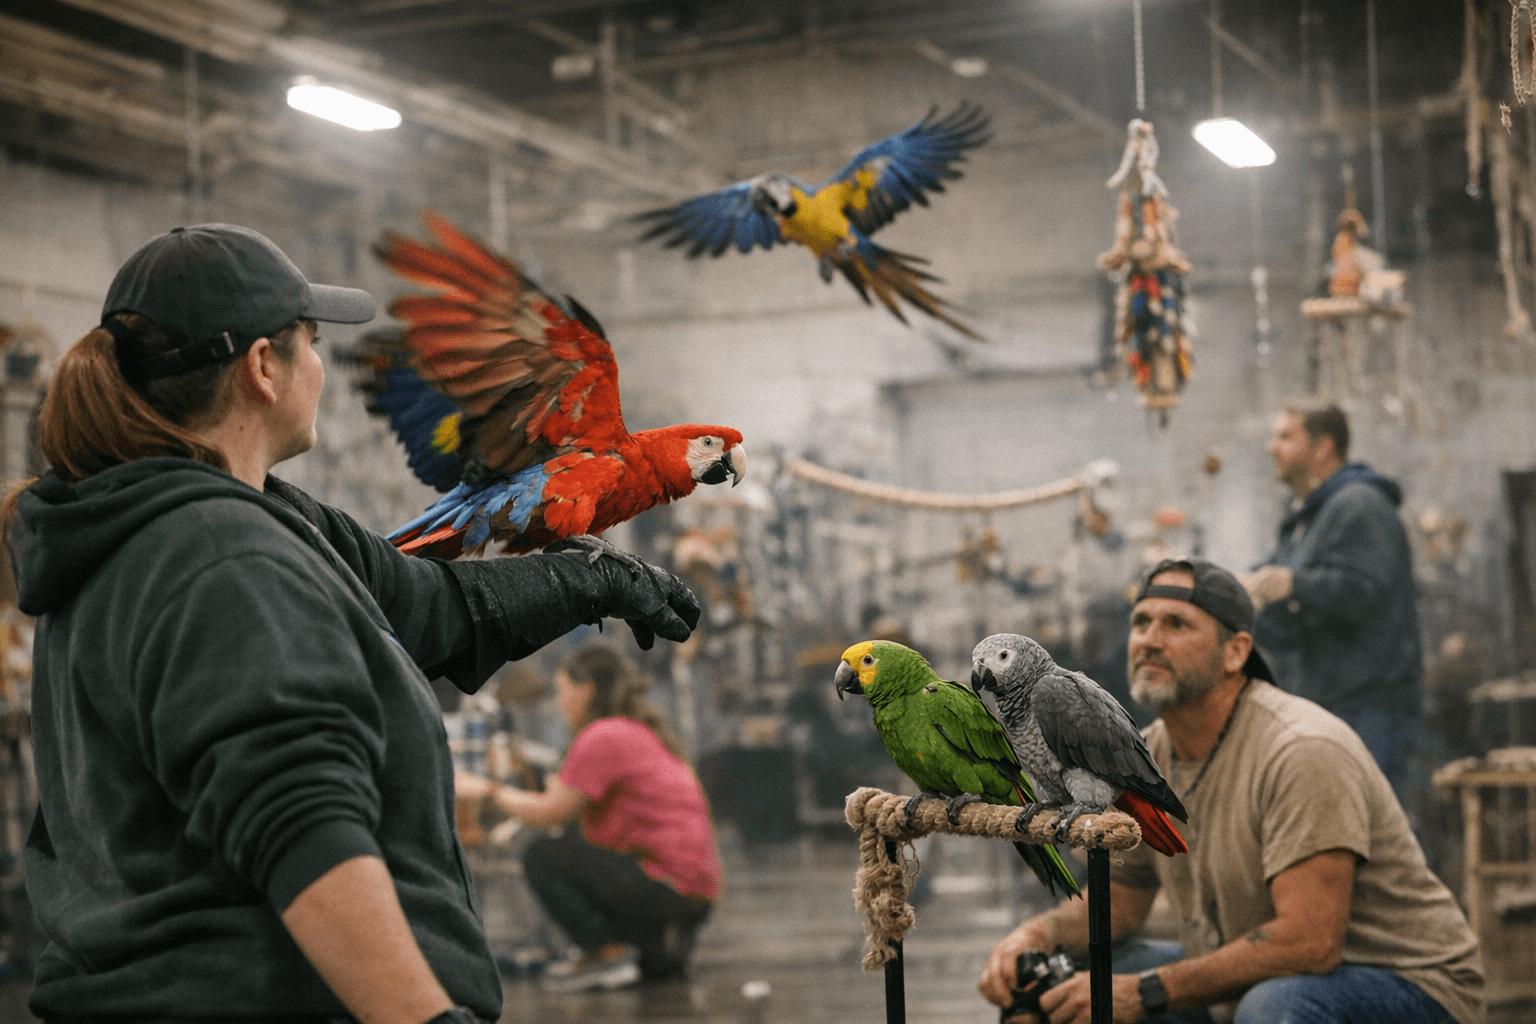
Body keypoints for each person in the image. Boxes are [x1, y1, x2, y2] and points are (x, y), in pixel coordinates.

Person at [7, 223, 701, 1024]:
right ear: (263, 368)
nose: (320, 369)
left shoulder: (259, 523)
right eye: (309, 343)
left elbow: (430, 609)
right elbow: (301, 828)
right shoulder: (218, 559)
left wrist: (591, 581)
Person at [978, 557, 1482, 1024]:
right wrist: (1036, 937)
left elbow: (1310, 944)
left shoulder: (1300, 749)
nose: (1149, 640)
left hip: (1409, 983)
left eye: (1176, 624)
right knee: (1070, 979)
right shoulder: (1143, 750)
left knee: (1270, 1006)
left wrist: (1145, 992)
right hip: (1270, 970)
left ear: (1236, 651)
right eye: (1141, 622)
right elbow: (1122, 903)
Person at [456, 643, 721, 992]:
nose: (560, 703)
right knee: (575, 847)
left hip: (666, 887)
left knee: (544, 855)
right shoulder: (636, 731)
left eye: (563, 691)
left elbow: (550, 814)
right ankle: (648, 950)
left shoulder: (603, 736)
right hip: (692, 894)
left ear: (585, 690)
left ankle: (606, 954)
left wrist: (488, 791)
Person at [1241, 400, 1423, 797]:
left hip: (1368, 708)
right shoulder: (1308, 518)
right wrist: (1243, 605)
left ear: (1323, 447)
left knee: (1370, 833)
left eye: (1286, 436)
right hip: (1323, 705)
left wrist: (1293, 586)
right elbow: (1290, 622)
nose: (1273, 447)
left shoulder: (1361, 505)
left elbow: (1362, 592)